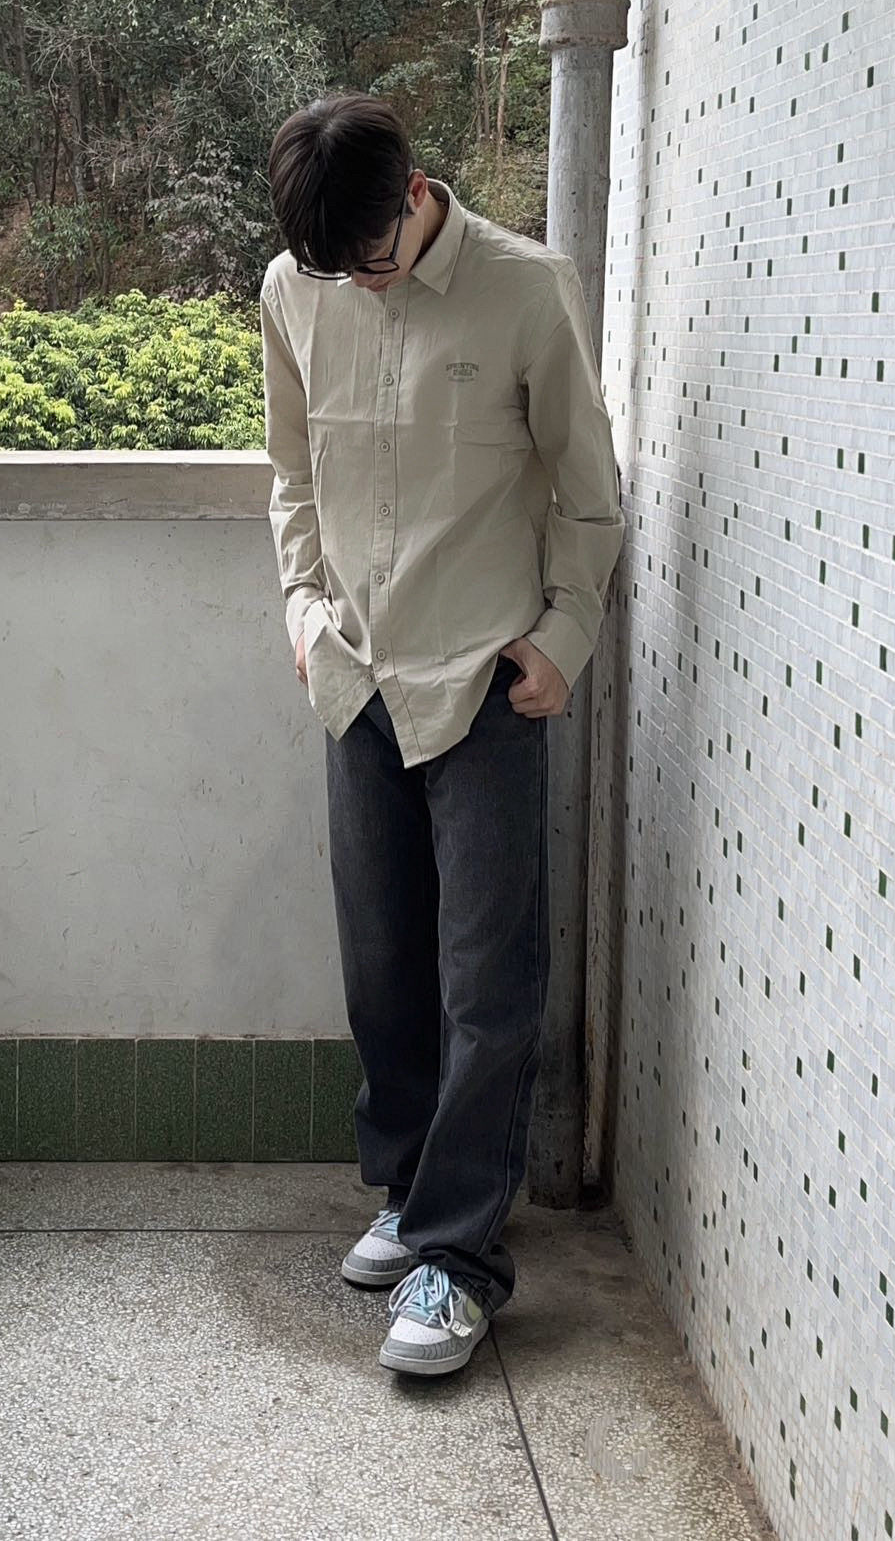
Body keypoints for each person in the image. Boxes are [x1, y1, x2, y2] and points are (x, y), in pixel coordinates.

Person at [260, 91, 625, 1376]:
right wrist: (302, 608)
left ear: (414, 193)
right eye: (331, 269)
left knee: (486, 978)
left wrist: (562, 637)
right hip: (354, 675)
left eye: (369, 257)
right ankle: (412, 1193)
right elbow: (290, 474)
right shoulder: (295, 289)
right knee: (381, 967)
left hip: (480, 680)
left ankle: (458, 1261)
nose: (356, 284)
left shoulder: (525, 288)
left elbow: (587, 490)